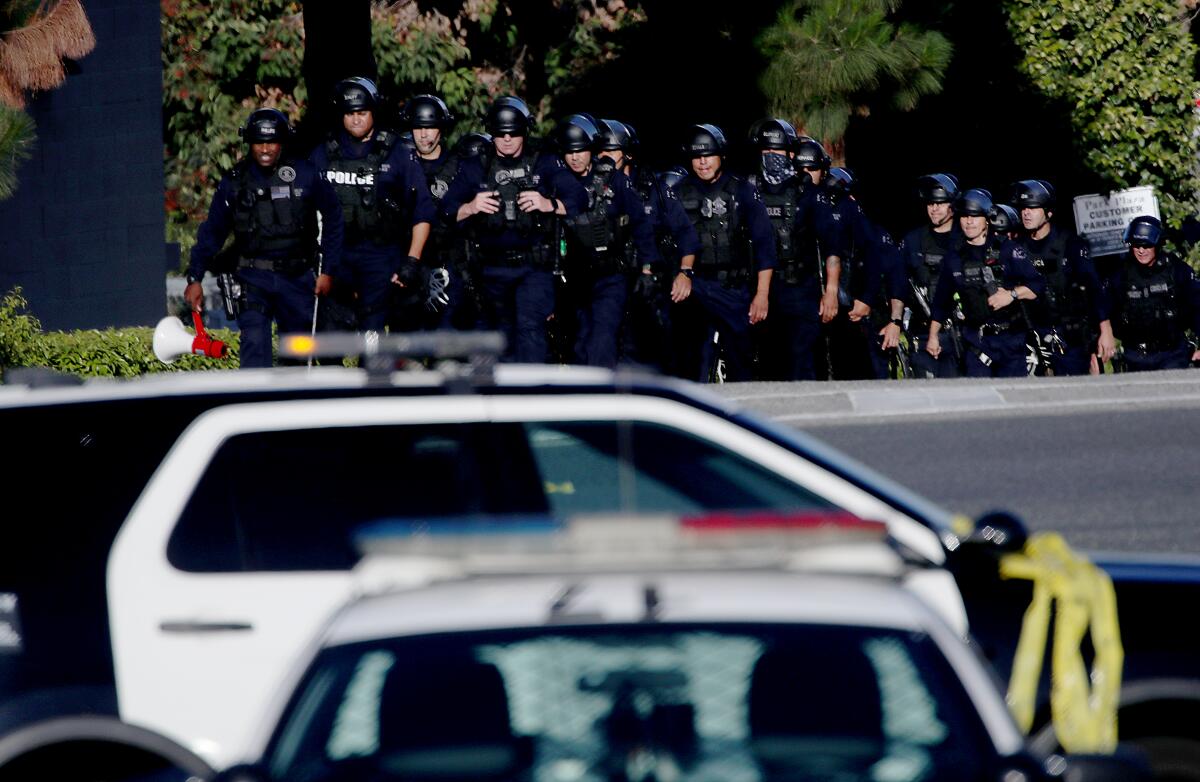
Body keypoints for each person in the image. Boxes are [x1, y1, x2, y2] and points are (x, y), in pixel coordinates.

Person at [184, 108, 344, 368]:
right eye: (259, 142)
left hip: (298, 277)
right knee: (255, 346)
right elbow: (212, 232)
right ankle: (254, 405)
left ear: (282, 142)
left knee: (297, 352)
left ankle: (293, 405)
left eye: (271, 142)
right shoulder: (234, 182)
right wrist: (195, 276)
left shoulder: (305, 173)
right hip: (253, 278)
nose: (265, 149)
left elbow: (334, 218)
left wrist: (328, 271)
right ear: (250, 143)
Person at [440, 96, 587, 363]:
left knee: (530, 331)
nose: (507, 139)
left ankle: (530, 397)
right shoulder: (477, 166)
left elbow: (579, 199)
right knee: (495, 338)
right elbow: (447, 209)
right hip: (489, 270)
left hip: (533, 268)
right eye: (500, 133)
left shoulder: (544, 161)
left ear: (524, 131)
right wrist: (471, 206)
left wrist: (548, 203)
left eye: (513, 133)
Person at [308, 78, 434, 334]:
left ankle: (371, 371)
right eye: (350, 113)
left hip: (381, 254)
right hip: (336, 256)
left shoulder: (397, 152)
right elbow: (303, 206)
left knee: (372, 331)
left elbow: (422, 210)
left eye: (362, 113)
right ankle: (334, 372)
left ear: (373, 112)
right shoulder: (323, 154)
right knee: (329, 333)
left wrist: (411, 261)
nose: (356, 119)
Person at [671, 123, 776, 382]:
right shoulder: (678, 193)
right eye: (697, 156)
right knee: (690, 363)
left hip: (733, 288)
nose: (702, 162)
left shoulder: (743, 191)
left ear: (722, 156)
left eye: (708, 155)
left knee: (741, 364)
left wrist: (761, 295)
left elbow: (764, 245)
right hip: (694, 287)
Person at [556, 115, 660, 368]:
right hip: (575, 278)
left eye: (581, 150)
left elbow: (640, 224)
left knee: (602, 339)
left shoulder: (616, 181)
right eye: (570, 151)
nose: (575, 157)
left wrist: (648, 268)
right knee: (579, 343)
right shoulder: (557, 182)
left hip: (611, 275)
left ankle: (603, 396)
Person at [598, 119, 700, 372]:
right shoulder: (589, 189)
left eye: (610, 152)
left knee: (655, 358)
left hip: (649, 289)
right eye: (598, 152)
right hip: (605, 285)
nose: (603, 158)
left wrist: (685, 273)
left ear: (628, 154)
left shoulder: (654, 190)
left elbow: (686, 234)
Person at [747, 120, 841, 381]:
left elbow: (832, 246)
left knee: (802, 364)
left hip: (800, 288)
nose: (770, 158)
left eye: (776, 153)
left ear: (790, 154)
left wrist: (831, 291)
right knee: (768, 364)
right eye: (766, 152)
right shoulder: (750, 191)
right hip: (760, 291)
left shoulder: (808, 192)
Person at [927, 188, 1044, 377]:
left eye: (975, 216)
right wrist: (933, 336)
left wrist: (1011, 295)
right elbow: (941, 302)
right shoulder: (954, 258)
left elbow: (1037, 284)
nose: (969, 222)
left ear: (987, 219)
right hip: (977, 343)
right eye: (964, 216)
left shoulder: (1008, 250)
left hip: (1011, 342)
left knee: (1014, 398)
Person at [1009, 179, 1114, 375]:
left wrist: (1105, 331)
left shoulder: (1071, 245)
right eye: (1023, 208)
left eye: (1033, 208)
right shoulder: (1016, 248)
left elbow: (1094, 288)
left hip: (1069, 337)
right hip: (1030, 337)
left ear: (1049, 212)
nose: (1026, 213)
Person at [400, 94, 476, 329]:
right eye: (418, 127)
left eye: (430, 127)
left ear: (441, 129)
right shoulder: (398, 165)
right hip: (407, 263)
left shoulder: (461, 166)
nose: (424, 134)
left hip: (450, 265)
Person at [1108, 215, 1200, 371]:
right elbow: (1102, 306)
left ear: (1157, 244)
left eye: (1147, 245)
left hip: (1172, 353)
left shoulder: (1176, 270)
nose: (1141, 250)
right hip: (1135, 355)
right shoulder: (1121, 274)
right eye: (1136, 245)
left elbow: (1198, 304)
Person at [901, 173, 962, 378]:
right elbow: (898, 282)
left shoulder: (966, 239)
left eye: (940, 203)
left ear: (953, 205)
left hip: (961, 334)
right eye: (930, 203)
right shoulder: (913, 240)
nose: (934, 208)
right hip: (922, 332)